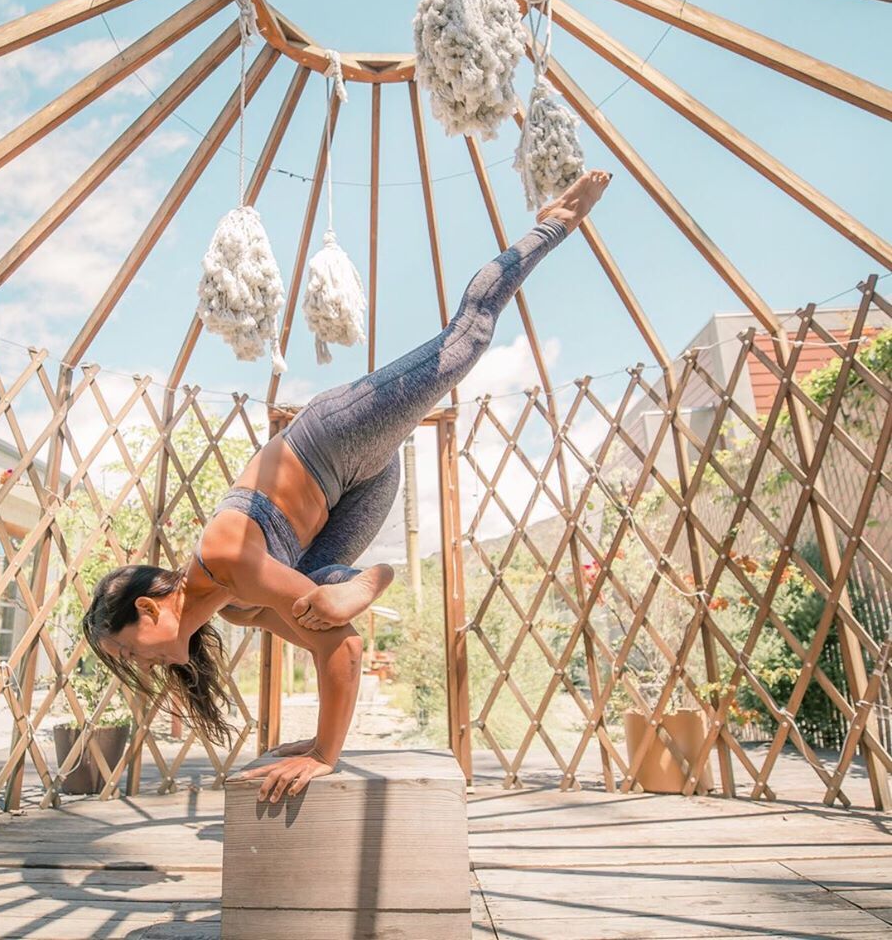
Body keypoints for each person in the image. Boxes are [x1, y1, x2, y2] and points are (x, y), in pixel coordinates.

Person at [83, 170, 611, 803]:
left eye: (127, 652)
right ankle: (362, 581)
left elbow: (342, 648)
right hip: (359, 492)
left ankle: (553, 224)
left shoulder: (226, 558)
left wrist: (324, 755)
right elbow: (332, 644)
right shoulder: (236, 605)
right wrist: (319, 736)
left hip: (332, 439)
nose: (136, 666)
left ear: (148, 610)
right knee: (319, 601)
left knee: (465, 340)